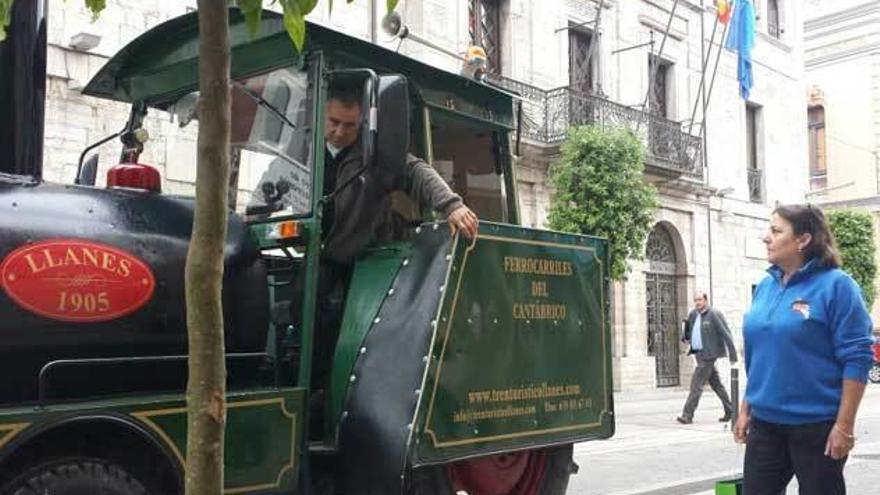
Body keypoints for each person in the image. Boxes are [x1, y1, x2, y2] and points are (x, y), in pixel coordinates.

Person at [736, 204, 874, 495]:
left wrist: (844, 426)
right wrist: (747, 408)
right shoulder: (765, 286)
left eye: (776, 231)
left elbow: (857, 358)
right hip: (765, 423)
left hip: (817, 426)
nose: (766, 237)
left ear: (803, 239)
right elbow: (761, 353)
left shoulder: (837, 286)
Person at [676, 292, 738, 424]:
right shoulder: (693, 314)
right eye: (695, 300)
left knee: (696, 385)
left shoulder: (714, 314)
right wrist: (685, 337)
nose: (697, 302)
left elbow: (726, 334)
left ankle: (687, 415)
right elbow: (689, 330)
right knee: (716, 384)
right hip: (699, 354)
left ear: (706, 300)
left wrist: (733, 355)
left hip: (709, 355)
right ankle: (731, 410)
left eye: (700, 300)